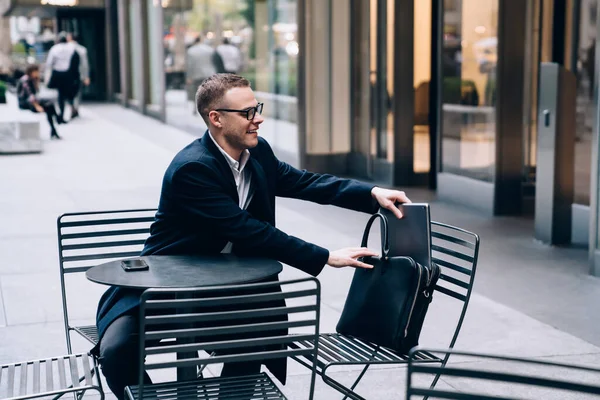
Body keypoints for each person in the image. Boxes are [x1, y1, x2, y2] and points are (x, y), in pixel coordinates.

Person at [94, 73, 411, 399]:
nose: (258, 118)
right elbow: (248, 230)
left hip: (232, 289)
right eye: (247, 113)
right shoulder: (193, 168)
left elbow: (304, 182)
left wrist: (371, 193)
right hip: (169, 285)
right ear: (215, 118)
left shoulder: (258, 154)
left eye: (256, 108)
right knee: (117, 350)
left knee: (254, 335)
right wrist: (324, 256)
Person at [16, 64, 61, 140]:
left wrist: (37, 81)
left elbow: (36, 94)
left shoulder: (32, 79)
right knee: (48, 107)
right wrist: (37, 106)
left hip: (30, 102)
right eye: (36, 71)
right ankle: (56, 122)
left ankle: (54, 128)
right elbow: (30, 96)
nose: (38, 73)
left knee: (50, 104)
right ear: (31, 71)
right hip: (25, 103)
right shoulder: (25, 80)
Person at [45, 32, 79, 123]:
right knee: (68, 93)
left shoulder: (55, 49)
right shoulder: (71, 48)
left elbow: (49, 63)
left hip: (58, 73)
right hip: (68, 74)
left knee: (60, 95)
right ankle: (71, 110)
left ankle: (61, 114)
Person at [185, 36, 218, 114]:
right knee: (208, 91)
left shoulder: (191, 51)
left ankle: (196, 107)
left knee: (196, 91)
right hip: (209, 73)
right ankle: (208, 107)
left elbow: (190, 65)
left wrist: (189, 76)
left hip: (196, 74)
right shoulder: (209, 50)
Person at [66, 33, 90, 119]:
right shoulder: (82, 49)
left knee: (69, 92)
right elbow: (85, 65)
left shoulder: (65, 48)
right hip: (77, 74)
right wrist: (86, 76)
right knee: (77, 92)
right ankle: (75, 107)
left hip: (68, 74)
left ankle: (73, 107)